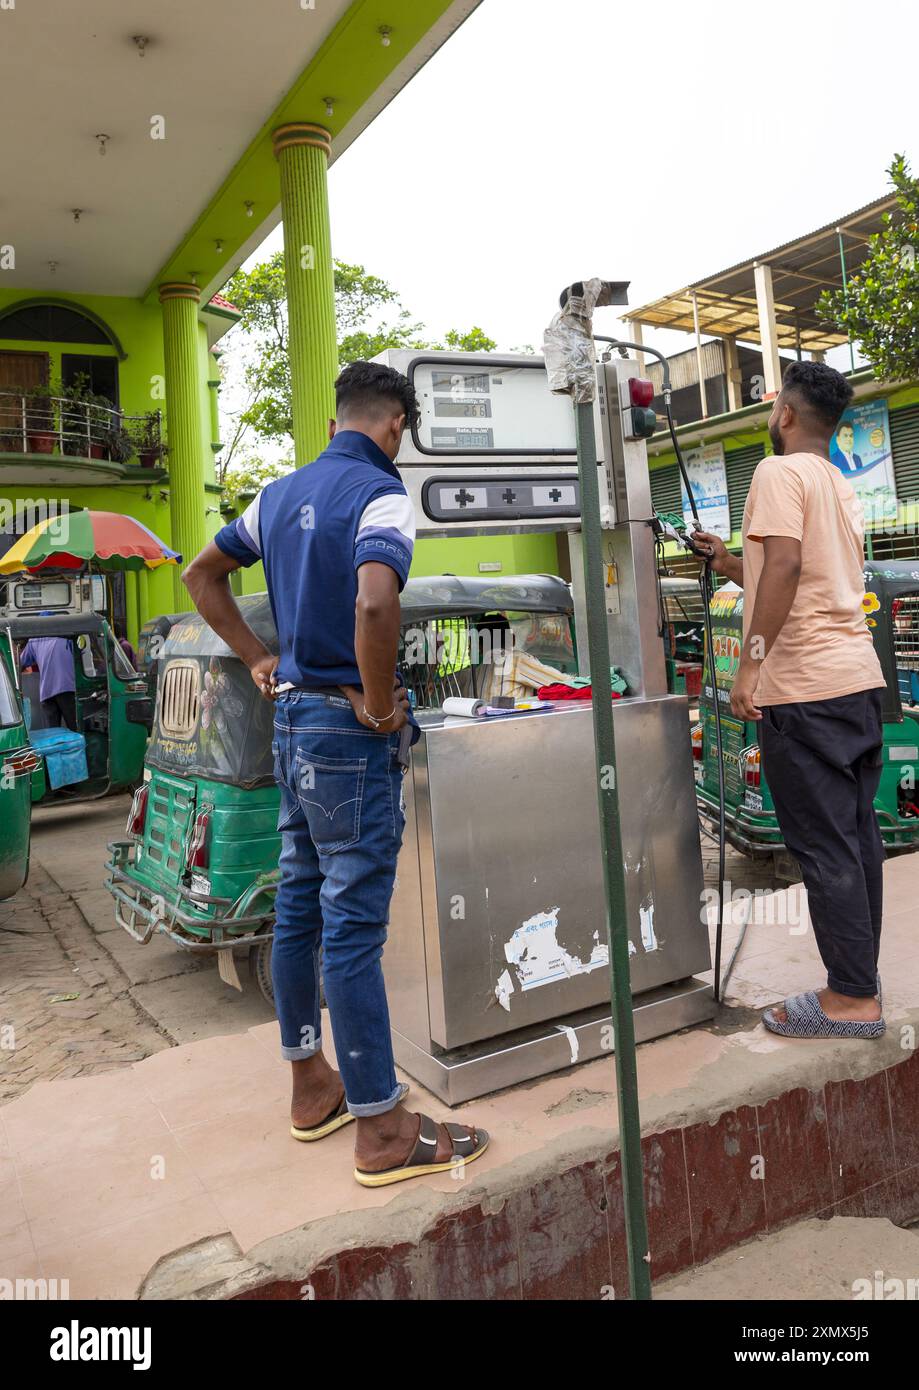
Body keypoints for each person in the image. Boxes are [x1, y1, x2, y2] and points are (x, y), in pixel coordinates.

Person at [183, 361, 488, 1185]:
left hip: (290, 718)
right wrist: (385, 707)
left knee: (298, 907)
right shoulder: (384, 494)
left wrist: (256, 658)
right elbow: (375, 604)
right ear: (395, 428)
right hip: (347, 733)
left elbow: (199, 575)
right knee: (352, 928)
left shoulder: (274, 495)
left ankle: (309, 1086)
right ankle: (383, 1131)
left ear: (332, 423)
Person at [694, 360, 887, 1040]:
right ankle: (857, 983)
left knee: (826, 849)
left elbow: (782, 566)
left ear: (783, 415)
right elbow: (785, 568)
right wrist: (723, 558)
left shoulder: (776, 473)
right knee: (856, 842)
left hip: (803, 689)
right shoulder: (836, 482)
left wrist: (749, 669)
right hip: (855, 682)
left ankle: (850, 1002)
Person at [19, 621, 77, 731]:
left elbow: (21, 663)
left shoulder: (34, 641)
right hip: (66, 688)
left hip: (46, 692)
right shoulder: (66, 638)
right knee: (74, 726)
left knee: (53, 731)